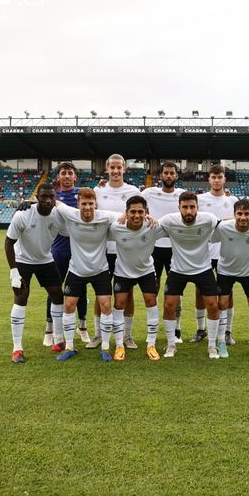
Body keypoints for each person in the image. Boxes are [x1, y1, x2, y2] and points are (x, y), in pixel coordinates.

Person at [54, 187, 124, 362]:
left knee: (106, 305)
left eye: (90, 203)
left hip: (100, 269)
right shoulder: (70, 214)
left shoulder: (105, 216)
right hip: (76, 269)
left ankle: (106, 347)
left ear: (95, 204)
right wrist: (27, 204)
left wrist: (139, 216)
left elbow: (126, 215)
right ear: (78, 204)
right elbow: (54, 203)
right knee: (69, 305)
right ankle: (69, 347)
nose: (87, 207)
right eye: (84, 204)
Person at [4, 183, 65, 364]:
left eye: (51, 197)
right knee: (21, 297)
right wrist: (14, 271)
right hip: (23, 260)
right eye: (44, 196)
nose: (48, 200)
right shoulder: (22, 215)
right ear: (37, 197)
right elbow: (8, 242)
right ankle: (17, 349)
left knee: (57, 295)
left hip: (46, 259)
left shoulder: (59, 216)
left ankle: (59, 340)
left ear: (55, 198)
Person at [157, 191, 221, 358]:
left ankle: (212, 345)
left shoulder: (208, 219)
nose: (189, 211)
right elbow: (152, 226)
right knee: (169, 305)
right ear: (179, 207)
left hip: (203, 268)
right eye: (185, 207)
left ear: (197, 207)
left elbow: (224, 225)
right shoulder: (169, 220)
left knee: (213, 305)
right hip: (178, 269)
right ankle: (171, 344)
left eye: (192, 207)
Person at [92, 154, 141, 349]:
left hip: (125, 250)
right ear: (106, 168)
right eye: (112, 167)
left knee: (127, 294)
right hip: (102, 250)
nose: (115, 171)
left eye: (118, 167)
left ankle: (127, 335)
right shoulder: (98, 190)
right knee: (101, 293)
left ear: (124, 169)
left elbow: (141, 214)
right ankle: (97, 334)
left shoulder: (133, 190)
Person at [108, 195, 164, 361]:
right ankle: (119, 345)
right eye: (133, 212)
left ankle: (151, 345)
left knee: (151, 302)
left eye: (141, 211)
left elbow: (173, 223)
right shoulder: (115, 227)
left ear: (146, 212)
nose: (137, 215)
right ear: (126, 212)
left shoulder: (153, 227)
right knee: (119, 304)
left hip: (146, 271)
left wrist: (154, 218)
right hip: (122, 272)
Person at [211, 198, 249, 359]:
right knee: (222, 303)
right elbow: (212, 238)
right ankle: (221, 342)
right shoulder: (223, 227)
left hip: (248, 271)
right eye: (239, 213)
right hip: (225, 270)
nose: (243, 217)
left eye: (247, 214)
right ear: (234, 214)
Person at [44, 162, 89, 349]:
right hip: (58, 249)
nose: (67, 176)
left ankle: (83, 327)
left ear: (75, 177)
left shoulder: (82, 194)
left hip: (79, 249)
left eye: (70, 173)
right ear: (58, 177)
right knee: (55, 289)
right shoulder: (53, 196)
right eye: (64, 173)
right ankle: (49, 329)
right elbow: (39, 205)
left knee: (82, 288)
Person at [192, 164, 238, 345]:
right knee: (199, 291)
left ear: (224, 179)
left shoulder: (233, 200)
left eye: (220, 177)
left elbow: (238, 221)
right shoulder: (200, 200)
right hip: (204, 252)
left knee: (228, 293)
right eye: (213, 177)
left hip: (226, 252)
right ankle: (201, 328)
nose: (217, 180)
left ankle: (227, 331)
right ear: (208, 179)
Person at [142, 161, 186, 343]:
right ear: (161, 175)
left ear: (176, 176)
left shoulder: (182, 195)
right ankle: (152, 327)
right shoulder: (148, 193)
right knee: (153, 288)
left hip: (175, 249)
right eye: (166, 173)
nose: (169, 176)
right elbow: (133, 206)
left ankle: (176, 328)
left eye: (172, 173)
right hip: (153, 248)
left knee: (175, 291)